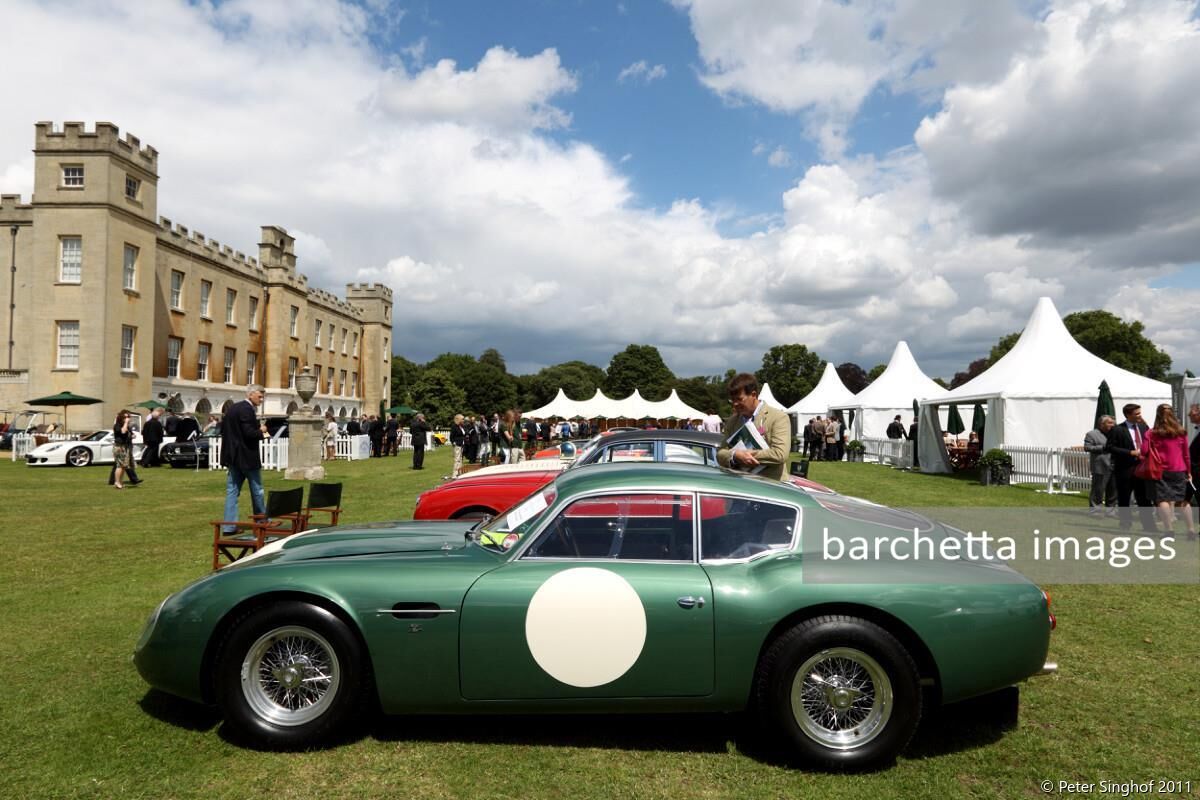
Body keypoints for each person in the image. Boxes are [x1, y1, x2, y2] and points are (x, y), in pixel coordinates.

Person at [716, 373, 792, 481]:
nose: (735, 404)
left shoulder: (778, 417)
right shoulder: (732, 421)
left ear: (753, 394)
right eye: (732, 400)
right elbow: (720, 453)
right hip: (740, 486)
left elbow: (780, 454)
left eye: (739, 399)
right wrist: (735, 455)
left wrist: (745, 456)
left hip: (772, 487)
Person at [220, 385, 268, 530]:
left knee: (232, 491)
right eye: (259, 396)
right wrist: (261, 431)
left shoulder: (233, 408)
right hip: (246, 456)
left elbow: (225, 430)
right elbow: (249, 433)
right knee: (257, 490)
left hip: (233, 456)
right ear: (250, 395)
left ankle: (229, 526)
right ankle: (261, 521)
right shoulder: (247, 410)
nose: (262, 399)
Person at [1105, 403, 1155, 532]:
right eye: (1136, 414)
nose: (1140, 416)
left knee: (1144, 498)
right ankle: (1125, 524)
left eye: (1140, 413)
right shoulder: (1117, 429)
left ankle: (1148, 525)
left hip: (1142, 468)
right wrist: (1129, 453)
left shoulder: (1143, 427)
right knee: (1124, 498)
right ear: (1128, 415)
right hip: (1125, 469)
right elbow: (1109, 447)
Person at [1144, 404, 1193, 535]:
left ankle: (1169, 529)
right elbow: (1186, 455)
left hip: (1159, 470)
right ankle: (1191, 529)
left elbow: (1144, 451)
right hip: (1179, 469)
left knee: (1162, 500)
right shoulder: (1181, 432)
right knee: (1182, 500)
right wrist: (1189, 471)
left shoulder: (1151, 433)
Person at [1084, 415, 1117, 516]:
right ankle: (1095, 510)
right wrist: (1103, 448)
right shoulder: (1092, 434)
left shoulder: (1115, 433)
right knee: (1098, 490)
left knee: (1113, 490)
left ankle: (1110, 511)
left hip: (1114, 465)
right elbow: (1087, 447)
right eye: (1110, 423)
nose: (1113, 425)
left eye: (1113, 423)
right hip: (1100, 466)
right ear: (1102, 424)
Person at [110, 410, 137, 489]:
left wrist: (132, 436)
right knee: (120, 466)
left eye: (128, 417)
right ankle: (117, 482)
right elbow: (122, 431)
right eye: (125, 417)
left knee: (124, 466)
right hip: (119, 447)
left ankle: (120, 481)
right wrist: (126, 423)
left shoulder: (127, 426)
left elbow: (130, 434)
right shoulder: (117, 425)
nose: (127, 418)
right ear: (121, 418)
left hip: (125, 447)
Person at [449, 413, 467, 478]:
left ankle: (460, 472)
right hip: (457, 445)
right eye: (462, 419)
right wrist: (453, 442)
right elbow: (451, 436)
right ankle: (455, 474)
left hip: (462, 444)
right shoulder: (454, 426)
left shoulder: (461, 426)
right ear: (459, 419)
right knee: (457, 459)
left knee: (461, 459)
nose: (463, 420)